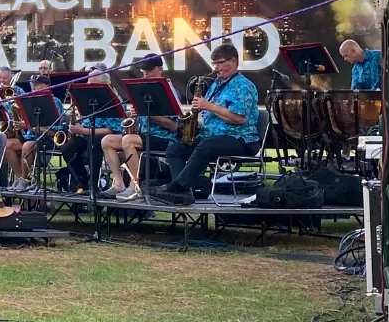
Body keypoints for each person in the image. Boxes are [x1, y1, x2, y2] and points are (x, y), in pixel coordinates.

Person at [157, 44, 261, 205]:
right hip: (213, 137)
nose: (216, 68)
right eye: (214, 64)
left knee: (206, 146)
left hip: (240, 139)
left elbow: (239, 118)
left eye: (220, 63)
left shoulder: (243, 86)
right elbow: (212, 112)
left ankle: (177, 187)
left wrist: (208, 106)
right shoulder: (217, 84)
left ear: (233, 61)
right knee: (174, 149)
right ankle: (183, 192)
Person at [101, 54, 180, 200]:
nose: (145, 73)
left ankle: (134, 186)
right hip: (144, 135)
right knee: (107, 140)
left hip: (164, 138)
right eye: (144, 70)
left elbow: (174, 126)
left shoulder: (169, 91)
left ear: (160, 69)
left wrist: (148, 114)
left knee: (128, 140)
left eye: (149, 70)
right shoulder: (143, 89)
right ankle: (119, 184)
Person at [57, 64, 120, 194]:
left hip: (104, 138)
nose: (86, 85)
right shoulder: (88, 99)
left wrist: (83, 131)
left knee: (94, 141)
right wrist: (77, 125)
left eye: (90, 83)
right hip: (86, 135)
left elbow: (112, 130)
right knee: (68, 147)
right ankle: (83, 182)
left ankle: (94, 185)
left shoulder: (114, 100)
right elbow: (85, 123)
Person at [7, 75, 63, 190]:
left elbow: (53, 131)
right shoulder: (29, 101)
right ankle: (19, 178)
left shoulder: (54, 102)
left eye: (37, 85)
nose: (33, 87)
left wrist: (27, 125)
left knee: (27, 146)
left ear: (47, 86)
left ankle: (24, 179)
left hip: (47, 138)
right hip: (30, 136)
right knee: (8, 144)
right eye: (33, 85)